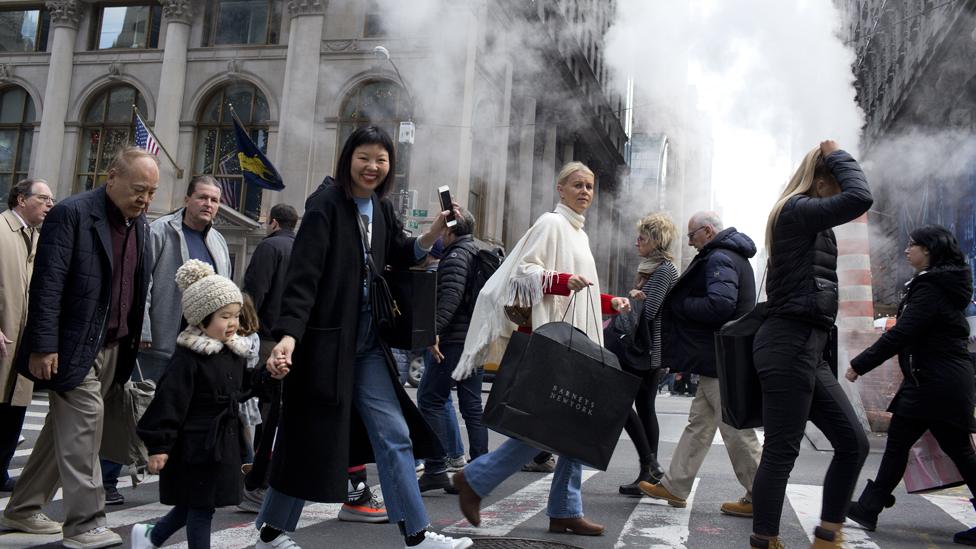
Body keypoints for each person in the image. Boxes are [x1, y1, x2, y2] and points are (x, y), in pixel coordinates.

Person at [259, 126, 471, 549]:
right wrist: (288, 337)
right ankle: (271, 533)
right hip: (324, 346)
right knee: (310, 437)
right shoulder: (324, 206)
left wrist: (431, 235)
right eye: (364, 158)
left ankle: (416, 532)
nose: (372, 167)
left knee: (395, 434)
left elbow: (398, 254)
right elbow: (304, 279)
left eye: (381, 160)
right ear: (347, 159)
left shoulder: (382, 206)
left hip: (368, 346)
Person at [450, 161, 632, 538]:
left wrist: (608, 301)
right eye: (577, 185)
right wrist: (565, 280)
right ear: (560, 189)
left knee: (571, 427)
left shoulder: (579, 234)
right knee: (548, 428)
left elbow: (580, 292)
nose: (585, 192)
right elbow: (524, 275)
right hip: (554, 343)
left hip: (575, 343)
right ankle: (477, 479)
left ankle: (564, 508)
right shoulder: (551, 224)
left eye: (590, 187)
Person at [1, 146, 158, 548]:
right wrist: (43, 345)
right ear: (112, 177)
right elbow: (47, 285)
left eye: (152, 192)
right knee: (85, 428)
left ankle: (21, 509)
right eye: (139, 188)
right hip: (72, 346)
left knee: (63, 433)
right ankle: (85, 523)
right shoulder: (71, 214)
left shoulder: (140, 225)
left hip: (114, 348)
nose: (145, 198)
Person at [749, 140, 872, 549]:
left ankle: (827, 535)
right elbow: (861, 196)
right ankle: (765, 539)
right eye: (833, 188)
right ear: (820, 182)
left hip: (808, 345)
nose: (837, 199)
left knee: (853, 442)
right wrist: (838, 155)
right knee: (782, 451)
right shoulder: (796, 211)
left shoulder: (810, 222)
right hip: (788, 342)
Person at [845, 225, 976, 545]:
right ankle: (869, 506)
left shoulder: (930, 288)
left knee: (957, 450)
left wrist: (859, 365)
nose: (907, 250)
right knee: (900, 445)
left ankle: (869, 506)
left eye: (913, 245)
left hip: (936, 384)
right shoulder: (936, 284)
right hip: (930, 381)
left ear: (929, 250)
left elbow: (903, 332)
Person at [639, 212, 762, 517]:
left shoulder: (720, 257)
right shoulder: (729, 255)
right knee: (699, 424)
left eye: (692, 236)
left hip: (723, 357)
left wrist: (679, 304)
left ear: (708, 231)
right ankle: (675, 486)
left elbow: (720, 305)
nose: (691, 243)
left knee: (734, 428)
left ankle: (762, 494)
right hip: (719, 357)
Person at [130, 260, 253, 549]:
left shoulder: (233, 351)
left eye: (236, 315)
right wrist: (159, 446)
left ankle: (153, 537)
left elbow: (243, 389)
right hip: (195, 445)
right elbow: (168, 403)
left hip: (221, 441)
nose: (233, 323)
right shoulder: (187, 359)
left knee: (197, 503)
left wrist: (268, 377)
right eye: (225, 316)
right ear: (201, 318)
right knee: (201, 507)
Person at [418, 209, 489, 493]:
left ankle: (436, 467)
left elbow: (450, 296)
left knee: (430, 398)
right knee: (472, 406)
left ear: (449, 232)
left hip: (454, 341)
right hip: (474, 339)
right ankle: (482, 472)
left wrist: (434, 329)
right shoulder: (475, 251)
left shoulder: (457, 256)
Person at [140, 175, 232, 381]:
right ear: (187, 199)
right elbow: (143, 283)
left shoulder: (219, 242)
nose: (208, 204)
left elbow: (226, 294)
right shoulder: (160, 230)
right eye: (202, 197)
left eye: (214, 200)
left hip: (202, 349)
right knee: (147, 406)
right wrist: (143, 329)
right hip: (160, 346)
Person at [616, 212, 679, 495]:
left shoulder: (664, 270)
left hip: (649, 350)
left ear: (655, 240)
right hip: (647, 349)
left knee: (623, 401)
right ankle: (648, 472)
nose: (636, 242)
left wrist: (636, 298)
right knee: (644, 406)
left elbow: (652, 312)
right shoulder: (652, 267)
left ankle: (649, 465)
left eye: (641, 237)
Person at [0, 179, 53, 492]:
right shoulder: (2, 230)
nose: (49, 204)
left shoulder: (37, 236)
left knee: (14, 410)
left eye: (51, 199)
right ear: (21, 199)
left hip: (23, 341)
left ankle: (1, 470)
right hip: (5, 335)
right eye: (43, 198)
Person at [243, 203, 298, 366]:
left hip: (266, 336)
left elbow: (256, 290)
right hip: (292, 337)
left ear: (273, 223)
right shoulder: (304, 248)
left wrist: (244, 326)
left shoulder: (269, 246)